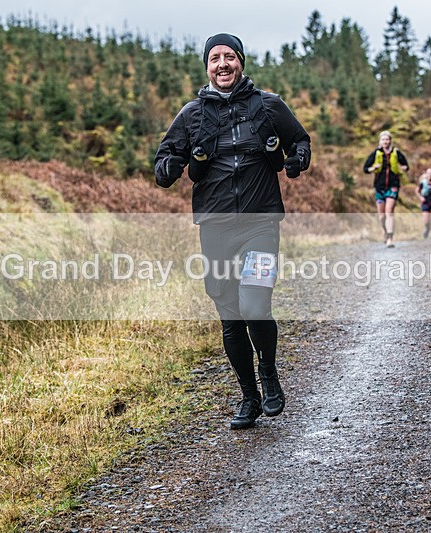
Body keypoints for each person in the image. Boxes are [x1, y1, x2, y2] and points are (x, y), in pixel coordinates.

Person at [154, 33, 311, 430]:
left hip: (260, 223)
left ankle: (270, 377)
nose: (222, 64)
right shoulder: (192, 114)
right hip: (216, 226)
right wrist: (170, 167)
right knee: (230, 315)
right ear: (206, 67)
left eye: (229, 57)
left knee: (255, 303)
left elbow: (300, 141)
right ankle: (248, 396)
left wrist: (296, 160)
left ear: (240, 61)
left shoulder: (268, 105)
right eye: (214, 58)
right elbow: (165, 160)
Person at [363, 131, 409, 248]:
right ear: (380, 141)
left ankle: (390, 238)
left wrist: (403, 168)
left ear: (390, 141)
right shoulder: (376, 153)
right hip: (379, 187)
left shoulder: (396, 153)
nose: (385, 142)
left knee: (389, 211)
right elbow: (365, 168)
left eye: (387, 139)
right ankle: (384, 231)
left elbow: (406, 166)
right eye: (383, 140)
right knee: (382, 216)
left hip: (393, 186)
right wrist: (373, 168)